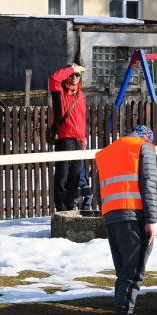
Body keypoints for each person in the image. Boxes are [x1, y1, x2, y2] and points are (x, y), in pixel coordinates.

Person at [95, 125, 157, 315]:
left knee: (123, 272)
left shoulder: (107, 151)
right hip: (134, 215)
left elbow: (98, 189)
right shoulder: (144, 147)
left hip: (111, 216)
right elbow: (149, 184)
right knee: (133, 273)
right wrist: (151, 219)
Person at [49, 63, 87, 211]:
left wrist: (83, 138)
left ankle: (70, 206)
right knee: (62, 176)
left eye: (77, 75)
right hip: (64, 139)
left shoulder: (81, 95)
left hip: (78, 139)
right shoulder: (60, 91)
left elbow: (82, 118)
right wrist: (71, 68)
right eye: (72, 75)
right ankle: (61, 208)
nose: (75, 77)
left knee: (75, 176)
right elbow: (53, 79)